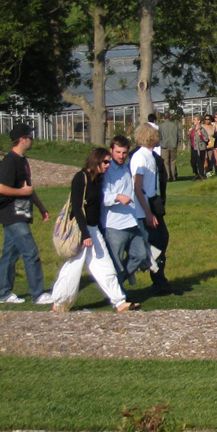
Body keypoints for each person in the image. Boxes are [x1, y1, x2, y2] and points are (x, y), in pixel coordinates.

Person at [49, 148, 137, 312]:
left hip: (94, 228)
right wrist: (85, 234)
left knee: (104, 265)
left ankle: (119, 301)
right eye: (105, 162)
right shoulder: (80, 178)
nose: (107, 165)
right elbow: (77, 208)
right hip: (82, 229)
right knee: (74, 266)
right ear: (95, 161)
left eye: (109, 162)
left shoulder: (97, 180)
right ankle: (60, 301)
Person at [0, 123, 52, 304]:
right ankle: (38, 294)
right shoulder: (10, 161)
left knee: (9, 255)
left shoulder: (23, 161)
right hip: (12, 214)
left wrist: (41, 208)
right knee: (30, 252)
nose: (32, 139)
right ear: (22, 140)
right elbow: (0, 188)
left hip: (21, 213)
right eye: (30, 137)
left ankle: (2, 294)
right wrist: (23, 193)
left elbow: (29, 188)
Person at [100, 134, 150, 294]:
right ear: (111, 151)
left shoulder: (127, 168)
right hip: (114, 225)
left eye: (124, 153)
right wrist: (117, 197)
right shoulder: (106, 171)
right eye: (118, 152)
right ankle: (118, 294)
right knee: (116, 262)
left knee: (140, 255)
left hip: (131, 220)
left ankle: (117, 285)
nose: (121, 156)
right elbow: (102, 197)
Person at [131, 123, 172, 294]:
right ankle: (145, 269)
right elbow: (137, 187)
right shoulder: (140, 157)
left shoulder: (151, 156)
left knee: (162, 239)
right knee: (152, 242)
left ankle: (159, 279)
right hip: (144, 208)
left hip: (152, 203)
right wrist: (147, 212)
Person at [157, 111, 181, 182]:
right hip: (173, 145)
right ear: (170, 117)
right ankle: (173, 176)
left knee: (165, 162)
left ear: (163, 118)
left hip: (164, 146)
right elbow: (179, 135)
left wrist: (160, 143)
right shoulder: (175, 125)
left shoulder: (160, 126)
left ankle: (167, 176)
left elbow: (159, 136)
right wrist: (178, 144)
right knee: (173, 161)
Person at [188, 114, 208, 180]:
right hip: (194, 148)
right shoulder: (192, 128)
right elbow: (189, 136)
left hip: (200, 148)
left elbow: (206, 139)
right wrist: (189, 131)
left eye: (195, 120)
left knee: (200, 162)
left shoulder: (202, 129)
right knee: (193, 162)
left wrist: (200, 134)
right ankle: (196, 173)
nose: (193, 121)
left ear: (199, 121)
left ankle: (202, 175)